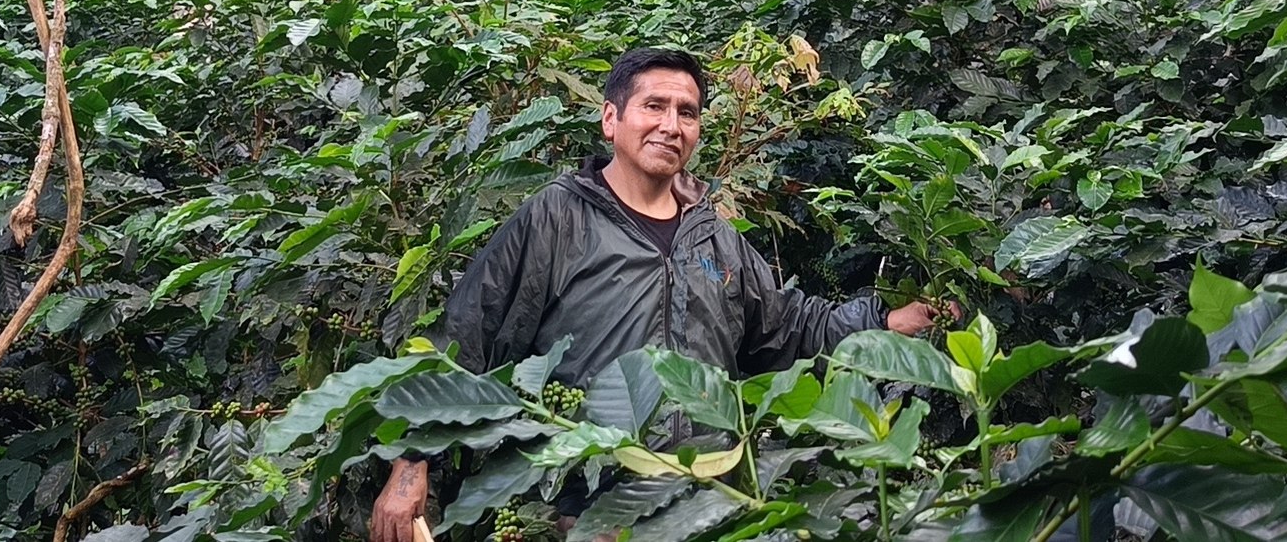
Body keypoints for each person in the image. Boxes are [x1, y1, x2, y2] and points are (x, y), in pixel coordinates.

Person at [368, 46, 946, 542]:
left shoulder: (713, 233)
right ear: (610, 120)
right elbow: (469, 333)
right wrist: (410, 463)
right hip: (582, 503)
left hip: (704, 498)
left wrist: (884, 321)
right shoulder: (556, 217)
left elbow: (782, 327)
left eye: (687, 112)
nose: (672, 124)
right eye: (655, 106)